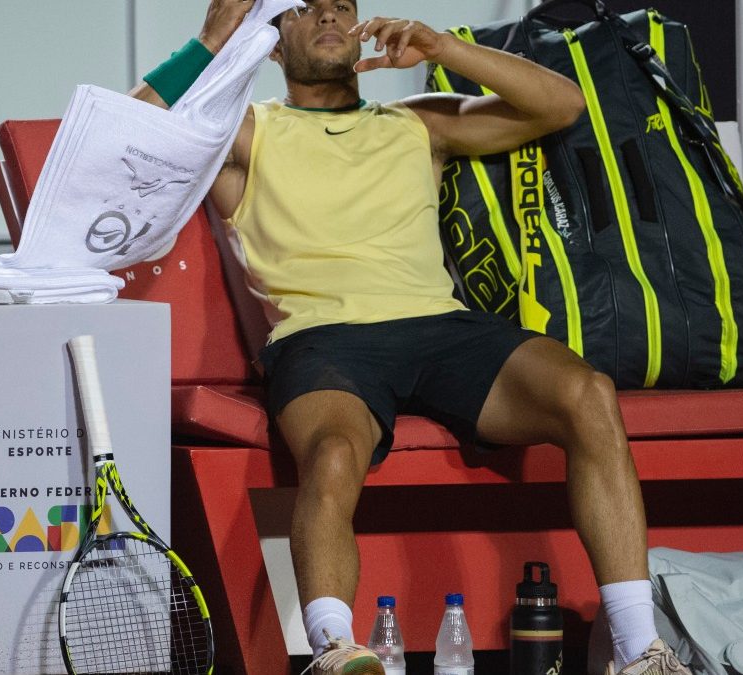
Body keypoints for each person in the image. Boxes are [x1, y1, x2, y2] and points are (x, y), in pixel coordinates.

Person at [133, 1, 692, 673]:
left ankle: (641, 651)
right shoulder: (247, 132)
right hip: (325, 338)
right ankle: (335, 649)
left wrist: (439, 48)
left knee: (588, 394)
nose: (331, 11)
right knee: (335, 453)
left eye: (342, 2)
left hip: (439, 328)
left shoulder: (416, 123)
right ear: (273, 46)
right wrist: (210, 41)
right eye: (307, 8)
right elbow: (129, 135)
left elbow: (562, 105)